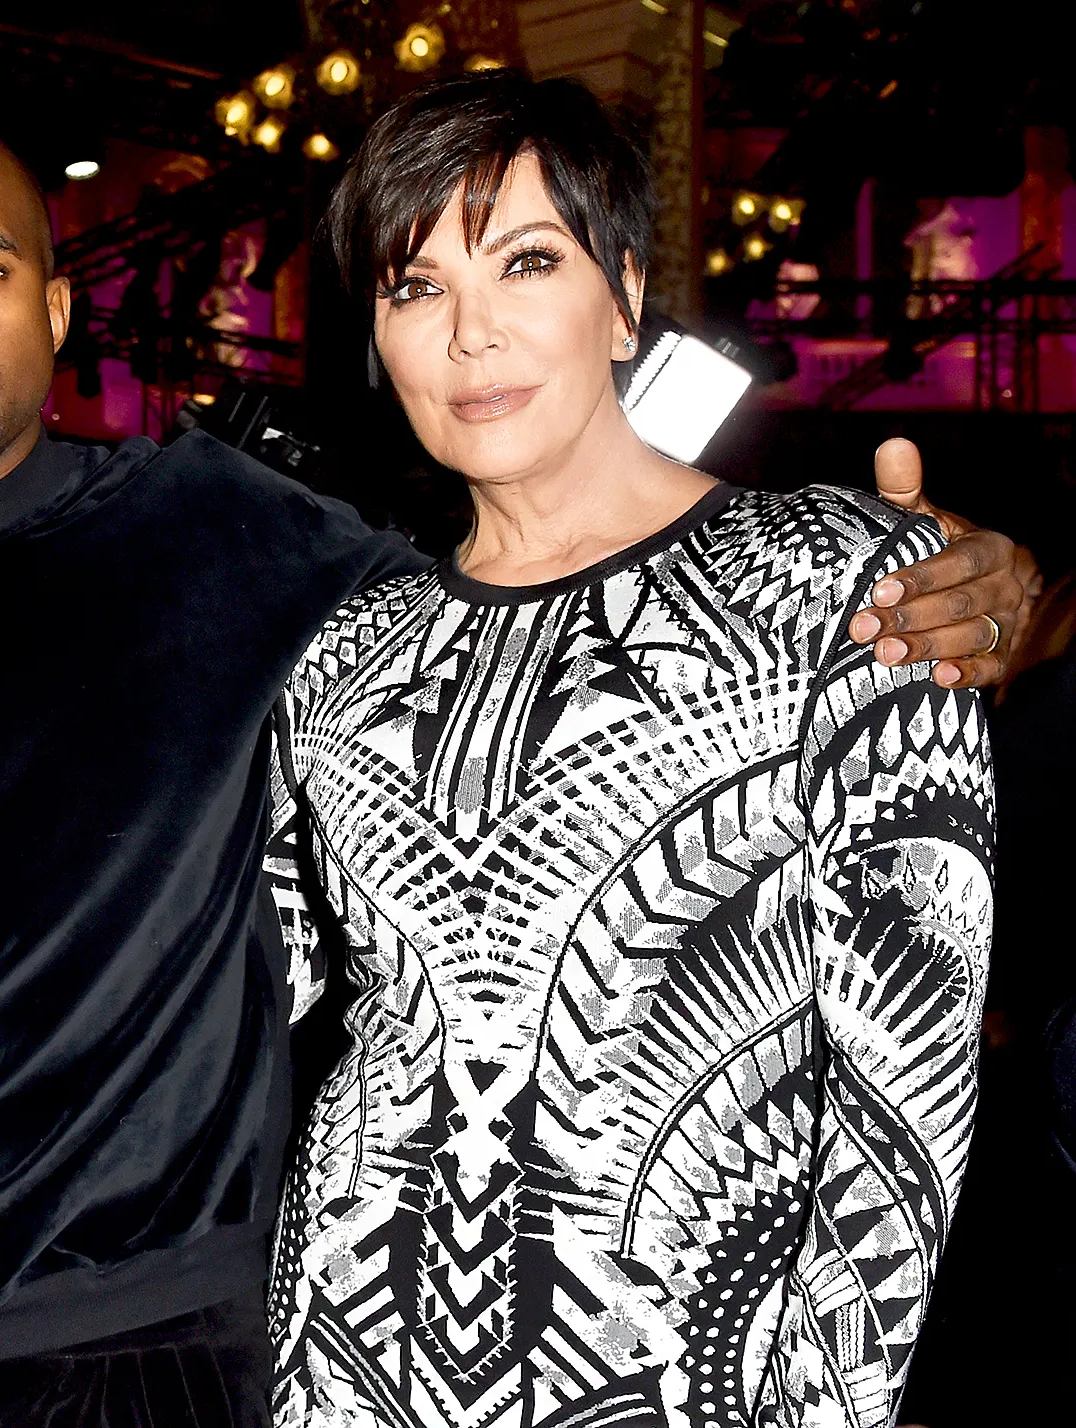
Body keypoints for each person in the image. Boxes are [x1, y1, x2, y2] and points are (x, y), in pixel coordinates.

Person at [0, 114, 1022, 1427]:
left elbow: (903, 1097)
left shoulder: (225, 532)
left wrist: (982, 587)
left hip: (176, 1340)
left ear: (59, 309)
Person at [263, 72, 993, 1427]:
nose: (470, 336)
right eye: (414, 288)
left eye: (525, 262)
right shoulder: (343, 651)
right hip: (341, 1378)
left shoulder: (842, 586)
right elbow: (251, 1003)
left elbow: (903, 1121)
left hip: (687, 1388)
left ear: (625, 293)